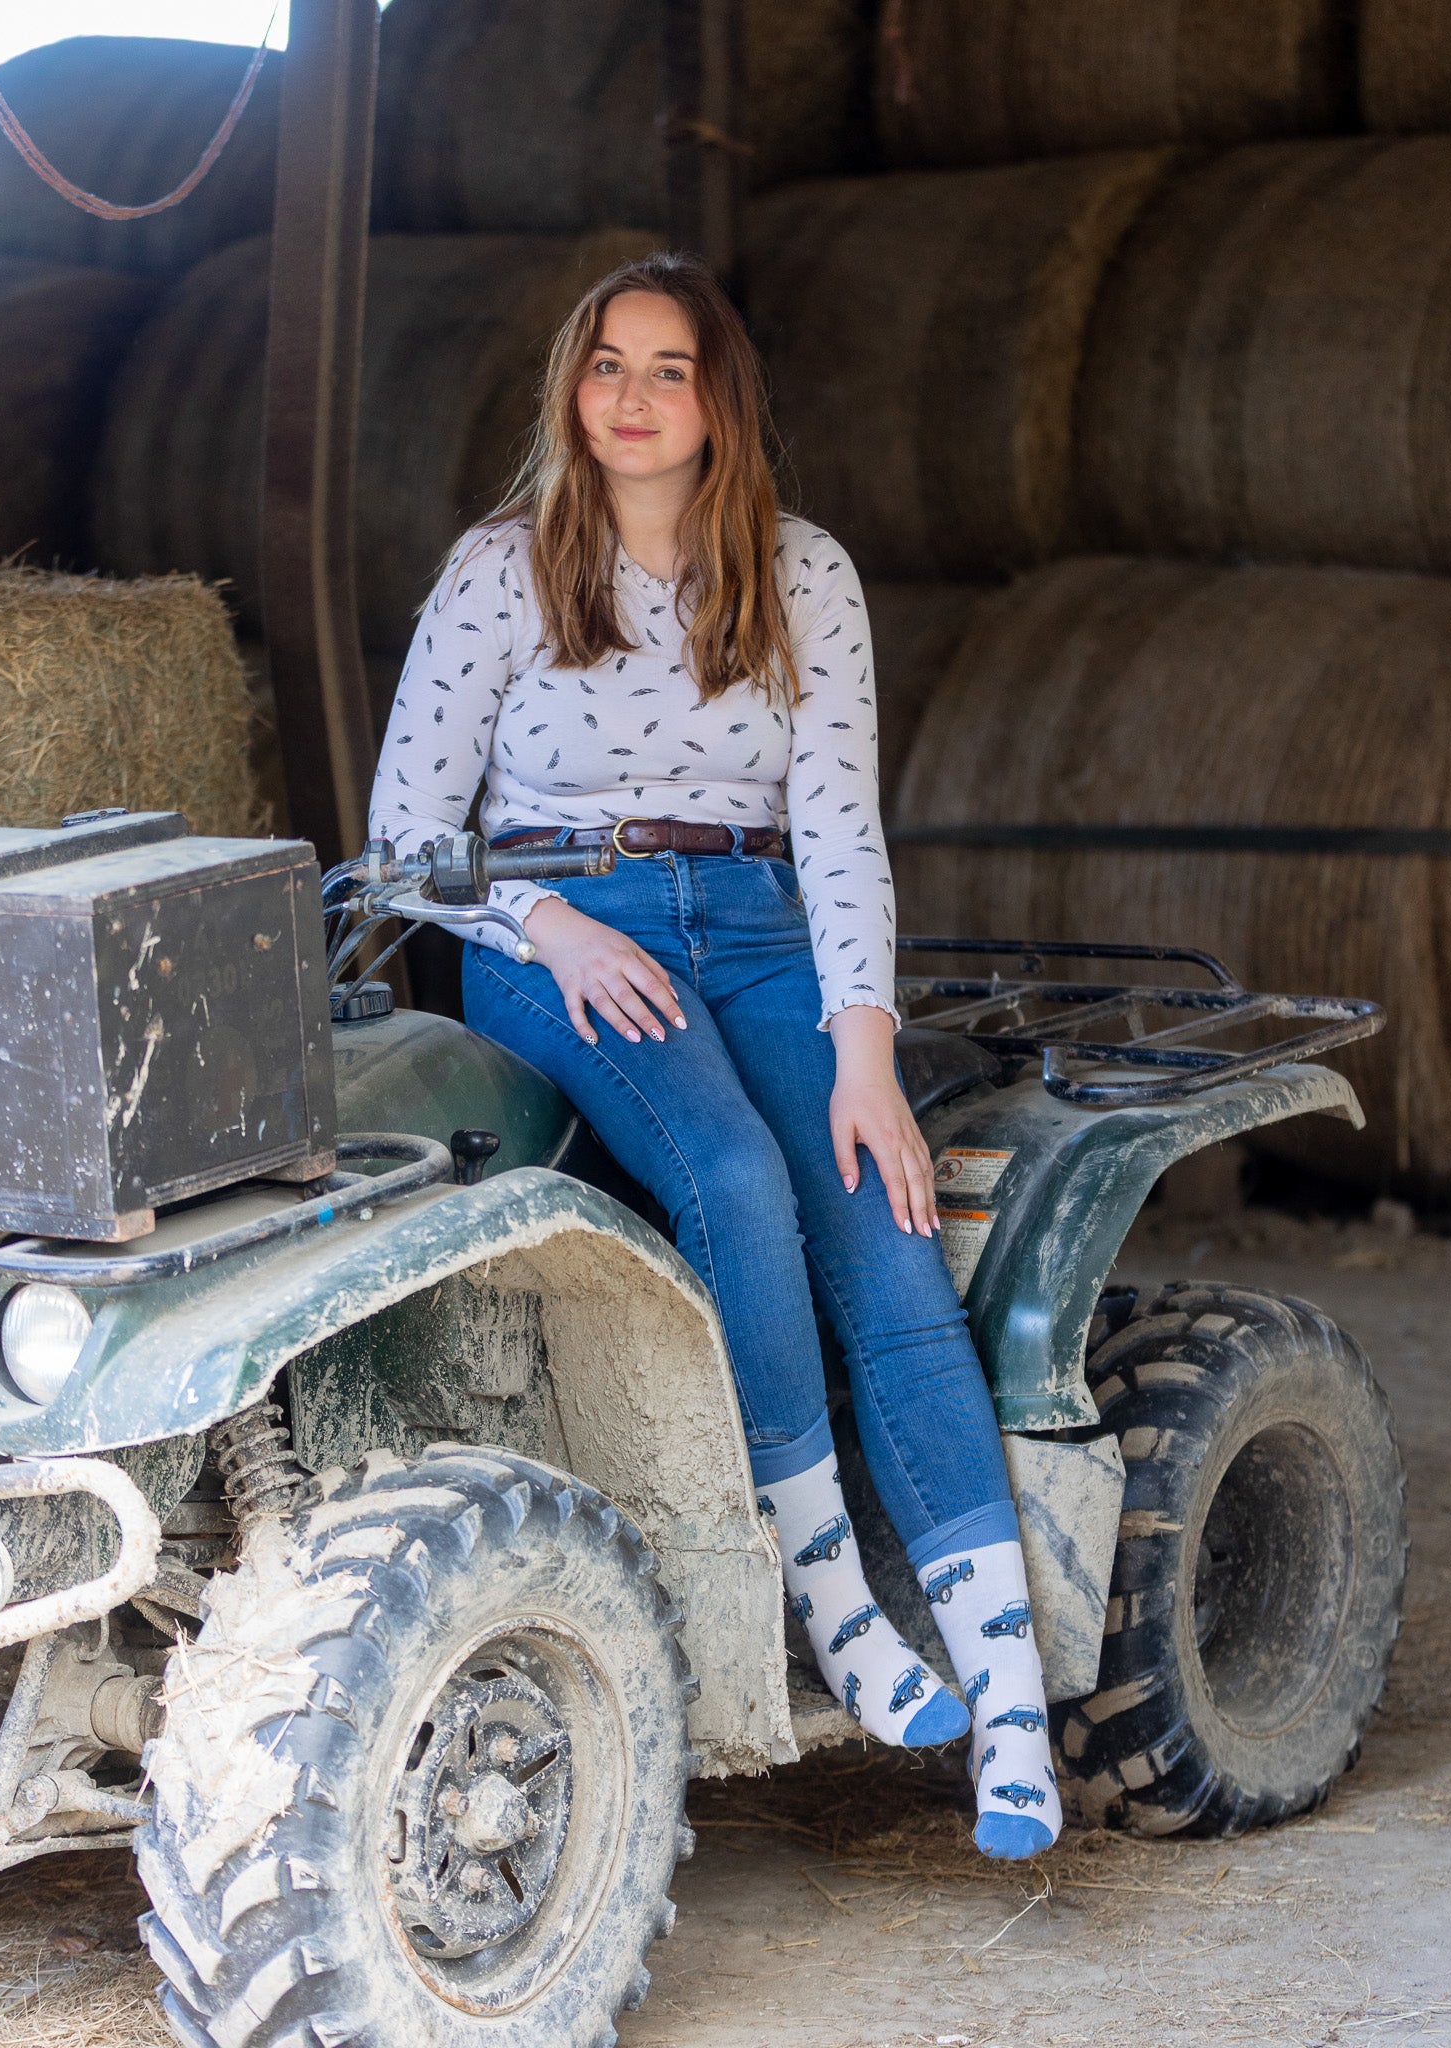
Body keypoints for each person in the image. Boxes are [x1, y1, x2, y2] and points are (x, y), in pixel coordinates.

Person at [368, 252, 1061, 1860]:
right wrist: (549, 926)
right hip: (564, 936)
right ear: (571, 388)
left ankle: (1012, 1703)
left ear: (718, 400)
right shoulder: (499, 570)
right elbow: (405, 840)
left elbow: (839, 833)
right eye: (605, 364)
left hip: (758, 927)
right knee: (735, 1177)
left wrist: (866, 1052)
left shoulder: (803, 573)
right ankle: (837, 1610)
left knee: (883, 1222)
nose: (629, 396)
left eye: (666, 368)